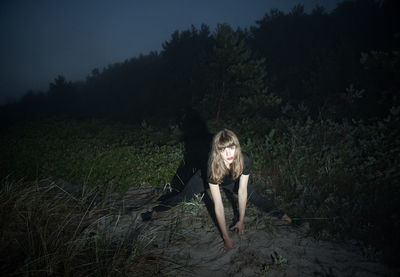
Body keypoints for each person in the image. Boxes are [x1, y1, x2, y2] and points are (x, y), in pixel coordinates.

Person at [142, 129, 291, 252]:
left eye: (231, 148)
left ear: (237, 147)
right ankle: (156, 210)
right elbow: (218, 205)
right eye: (223, 150)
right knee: (183, 197)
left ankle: (281, 214)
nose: (228, 154)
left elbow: (243, 191)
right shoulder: (211, 166)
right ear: (217, 151)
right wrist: (226, 239)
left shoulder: (245, 160)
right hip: (207, 178)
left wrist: (241, 220)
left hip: (230, 181)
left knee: (255, 197)